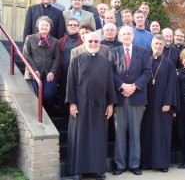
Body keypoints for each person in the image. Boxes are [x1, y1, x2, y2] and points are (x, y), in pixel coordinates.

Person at [65, 32, 117, 180]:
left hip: (100, 104)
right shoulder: (76, 59)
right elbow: (70, 83)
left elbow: (110, 85)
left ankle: (97, 170)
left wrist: (111, 104)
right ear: (84, 41)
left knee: (98, 138)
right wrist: (72, 103)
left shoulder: (106, 62)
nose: (93, 44)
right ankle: (78, 170)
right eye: (90, 41)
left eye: (96, 41)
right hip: (81, 104)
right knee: (79, 137)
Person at [109, 26, 151, 176]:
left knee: (135, 133)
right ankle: (119, 165)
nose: (126, 36)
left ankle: (134, 164)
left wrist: (134, 86)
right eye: (123, 34)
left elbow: (147, 73)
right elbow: (110, 73)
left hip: (136, 97)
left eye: (128, 34)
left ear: (133, 36)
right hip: (119, 97)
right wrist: (122, 86)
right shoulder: (113, 52)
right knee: (119, 133)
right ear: (119, 37)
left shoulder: (144, 52)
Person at [140, 34, 179, 172]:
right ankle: (145, 162)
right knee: (146, 133)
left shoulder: (168, 63)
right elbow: (141, 83)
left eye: (160, 45)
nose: (157, 46)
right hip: (147, 105)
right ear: (151, 44)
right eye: (156, 44)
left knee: (162, 134)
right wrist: (141, 101)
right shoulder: (145, 61)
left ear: (163, 46)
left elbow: (172, 85)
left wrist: (168, 103)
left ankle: (162, 163)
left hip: (163, 105)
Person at [23, 16, 59, 115]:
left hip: (49, 73)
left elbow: (56, 58)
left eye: (47, 25)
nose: (44, 27)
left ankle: (47, 114)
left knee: (48, 95)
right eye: (42, 25)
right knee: (35, 96)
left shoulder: (55, 41)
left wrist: (52, 71)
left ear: (50, 27)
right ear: (38, 26)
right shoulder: (30, 38)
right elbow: (26, 55)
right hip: (32, 73)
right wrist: (34, 70)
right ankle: (36, 115)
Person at [58, 18, 83, 110]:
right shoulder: (61, 41)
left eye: (75, 25)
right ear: (67, 27)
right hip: (63, 73)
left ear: (78, 27)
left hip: (77, 74)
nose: (72, 26)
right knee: (63, 95)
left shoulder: (83, 41)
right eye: (70, 25)